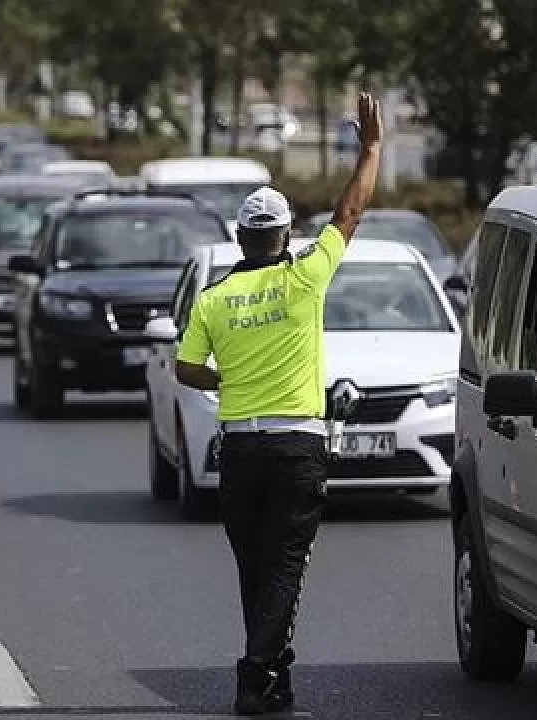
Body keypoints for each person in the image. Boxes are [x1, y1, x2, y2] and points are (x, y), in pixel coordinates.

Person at [174, 92, 383, 716]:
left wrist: (224, 381)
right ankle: (253, 672)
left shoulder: (215, 297)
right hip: (297, 446)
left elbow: (186, 369)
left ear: (240, 237)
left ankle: (274, 676)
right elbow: (349, 213)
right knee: (287, 567)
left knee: (256, 568)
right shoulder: (304, 278)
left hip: (238, 446)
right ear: (286, 235)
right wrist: (371, 149)